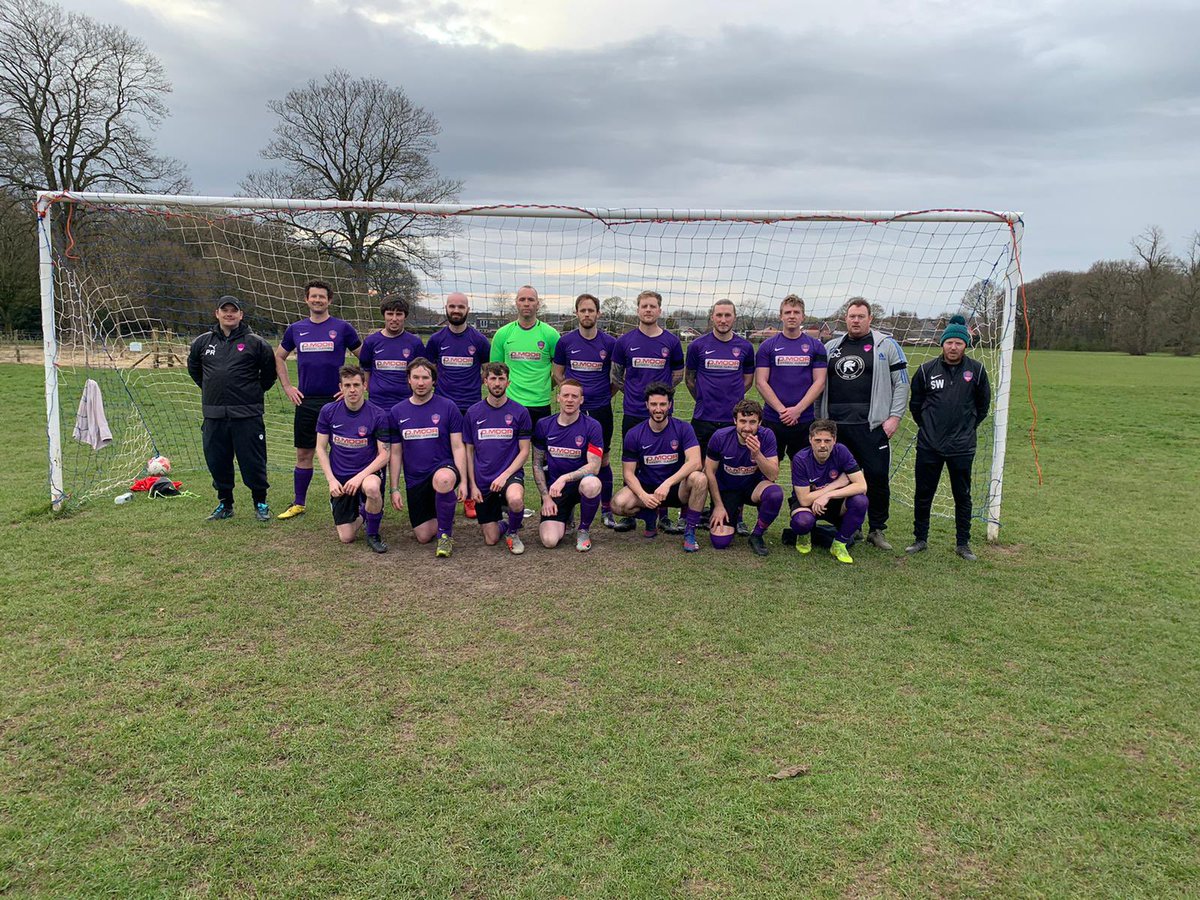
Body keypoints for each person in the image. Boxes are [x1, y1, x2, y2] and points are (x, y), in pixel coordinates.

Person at [817, 297, 908, 550]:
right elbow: (819, 385)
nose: (855, 320)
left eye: (860, 316)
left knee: (877, 477)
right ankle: (850, 525)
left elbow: (901, 383)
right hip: (836, 427)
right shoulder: (831, 347)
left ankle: (877, 529)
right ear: (845, 319)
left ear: (870, 319)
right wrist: (820, 420)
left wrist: (894, 417)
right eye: (851, 316)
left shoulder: (886, 345)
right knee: (841, 478)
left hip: (871, 426)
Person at [906, 315, 992, 561]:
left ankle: (963, 543)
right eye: (949, 342)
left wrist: (966, 427)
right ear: (942, 344)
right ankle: (920, 538)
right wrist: (930, 427)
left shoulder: (976, 371)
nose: (953, 347)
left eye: (959, 343)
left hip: (962, 447)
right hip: (929, 445)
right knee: (924, 493)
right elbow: (916, 405)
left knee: (962, 495)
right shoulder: (925, 370)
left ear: (966, 345)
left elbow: (983, 406)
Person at [274, 279, 362, 521]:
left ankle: (346, 502)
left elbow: (363, 358)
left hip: (337, 402)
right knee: (304, 453)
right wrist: (288, 386)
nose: (317, 300)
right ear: (306, 300)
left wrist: (351, 387)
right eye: (313, 296)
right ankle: (299, 503)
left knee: (343, 453)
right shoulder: (296, 329)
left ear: (329, 300)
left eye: (322, 297)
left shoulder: (343, 328)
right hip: (306, 401)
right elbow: (279, 357)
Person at [187, 295, 277, 521]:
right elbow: (195, 371)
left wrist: (252, 393)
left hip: (247, 415)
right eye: (224, 310)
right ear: (217, 313)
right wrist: (211, 390)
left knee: (253, 462)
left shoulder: (256, 343)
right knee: (217, 461)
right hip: (214, 415)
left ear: (240, 315)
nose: (229, 314)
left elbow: (268, 375)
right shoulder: (202, 342)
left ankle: (261, 503)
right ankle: (225, 504)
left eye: (233, 310)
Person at [611, 290, 685, 533]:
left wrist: (660, 399)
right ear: (638, 310)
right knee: (633, 461)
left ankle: (663, 513)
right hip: (633, 412)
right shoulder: (624, 341)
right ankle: (632, 514)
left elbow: (678, 374)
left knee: (665, 461)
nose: (648, 310)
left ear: (659, 310)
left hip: (662, 415)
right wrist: (637, 396)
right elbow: (616, 375)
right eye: (644, 306)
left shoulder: (672, 342)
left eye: (653, 306)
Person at [611, 381, 708, 552]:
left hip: (677, 489)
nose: (658, 409)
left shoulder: (683, 428)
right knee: (618, 504)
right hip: (648, 490)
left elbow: (695, 462)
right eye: (654, 404)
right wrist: (643, 495)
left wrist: (668, 483)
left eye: (663, 404)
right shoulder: (634, 434)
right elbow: (628, 474)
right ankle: (649, 516)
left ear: (669, 405)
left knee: (700, 478)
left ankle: (690, 532)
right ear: (647, 405)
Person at [686, 298, 755, 533]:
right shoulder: (697, 346)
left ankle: (737, 515)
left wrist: (732, 402)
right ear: (712, 317)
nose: (723, 320)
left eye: (727, 315)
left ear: (734, 317)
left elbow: (747, 380)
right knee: (698, 468)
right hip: (704, 418)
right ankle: (691, 513)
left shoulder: (745, 347)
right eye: (719, 315)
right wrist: (704, 398)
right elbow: (689, 379)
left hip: (732, 421)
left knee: (735, 467)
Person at [388, 358, 468, 558]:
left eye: (425, 377)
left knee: (443, 480)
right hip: (416, 478)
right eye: (416, 377)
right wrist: (394, 488)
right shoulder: (397, 412)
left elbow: (458, 447)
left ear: (433, 381)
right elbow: (396, 453)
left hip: (443, 468)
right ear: (408, 380)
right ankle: (444, 513)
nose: (420, 382)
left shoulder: (448, 407)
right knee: (423, 536)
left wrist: (463, 481)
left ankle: (445, 536)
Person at [552, 293, 618, 528]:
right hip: (571, 412)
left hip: (600, 410)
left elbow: (616, 379)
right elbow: (557, 373)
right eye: (583, 310)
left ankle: (607, 510)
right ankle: (567, 509)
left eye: (591, 310)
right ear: (576, 313)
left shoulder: (610, 344)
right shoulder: (565, 342)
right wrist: (571, 396)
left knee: (603, 459)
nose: (587, 314)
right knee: (569, 458)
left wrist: (601, 397)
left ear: (598, 314)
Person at [424, 292, 490, 518]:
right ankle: (445, 493)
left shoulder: (479, 341)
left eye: (460, 307)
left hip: (470, 406)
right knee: (443, 451)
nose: (456, 310)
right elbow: (428, 371)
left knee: (471, 451)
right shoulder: (435, 340)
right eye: (452, 306)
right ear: (446, 308)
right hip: (443, 406)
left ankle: (470, 496)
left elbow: (488, 371)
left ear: (467, 310)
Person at [314, 365, 390, 553]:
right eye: (347, 385)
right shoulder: (328, 411)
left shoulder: (378, 414)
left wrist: (359, 478)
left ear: (365, 386)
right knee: (346, 537)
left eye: (356, 384)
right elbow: (320, 448)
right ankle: (364, 512)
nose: (352, 390)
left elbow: (385, 454)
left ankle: (373, 534)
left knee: (372, 488)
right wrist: (331, 480)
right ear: (340, 387)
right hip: (340, 477)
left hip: (367, 473)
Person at [464, 363, 532, 555]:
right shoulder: (473, 413)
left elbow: (524, 451)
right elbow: (468, 451)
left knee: (516, 499)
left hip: (509, 474)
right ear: (485, 381)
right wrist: (472, 485)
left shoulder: (520, 412)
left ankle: (513, 532)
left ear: (508, 382)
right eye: (493, 378)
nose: (497, 383)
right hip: (483, 479)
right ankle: (504, 523)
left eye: (501, 379)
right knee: (491, 539)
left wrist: (505, 475)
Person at [703, 399, 784, 556]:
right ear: (735, 421)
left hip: (753, 488)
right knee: (720, 541)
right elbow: (709, 472)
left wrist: (757, 454)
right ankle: (723, 512)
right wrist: (719, 505)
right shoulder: (720, 437)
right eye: (743, 421)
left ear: (760, 422)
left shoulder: (767, 436)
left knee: (775, 493)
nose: (747, 427)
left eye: (752, 422)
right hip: (728, 489)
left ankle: (757, 535)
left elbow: (773, 474)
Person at [755, 293, 828, 462]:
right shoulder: (767, 346)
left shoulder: (816, 346)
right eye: (788, 312)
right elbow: (760, 382)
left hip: (804, 420)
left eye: (796, 312)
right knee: (766, 470)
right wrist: (782, 411)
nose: (792, 316)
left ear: (803, 316)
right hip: (773, 419)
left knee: (805, 471)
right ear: (781, 316)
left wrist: (797, 410)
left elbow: (820, 382)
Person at [533, 379, 604, 551]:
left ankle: (584, 530)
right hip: (556, 490)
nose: (570, 400)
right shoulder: (544, 425)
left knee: (592, 483)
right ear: (558, 398)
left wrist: (565, 478)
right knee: (549, 541)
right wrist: (546, 498)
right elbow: (536, 464)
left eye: (575, 396)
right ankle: (565, 517)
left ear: (581, 400)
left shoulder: (592, 426)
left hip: (579, 485)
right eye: (566, 395)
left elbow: (594, 466)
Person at [786, 419, 869, 564]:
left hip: (835, 503)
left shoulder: (841, 451)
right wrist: (836, 484)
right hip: (809, 505)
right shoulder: (800, 459)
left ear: (834, 440)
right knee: (802, 522)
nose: (823, 445)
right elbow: (804, 499)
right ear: (810, 440)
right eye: (818, 440)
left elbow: (862, 486)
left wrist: (828, 495)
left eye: (827, 440)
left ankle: (839, 544)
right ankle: (804, 536)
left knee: (861, 501)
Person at [490, 285, 559, 430]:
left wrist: (545, 385)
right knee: (511, 450)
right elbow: (494, 371)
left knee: (539, 451)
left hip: (541, 404)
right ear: (516, 303)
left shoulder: (551, 335)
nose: (526, 303)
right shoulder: (503, 334)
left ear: (538, 304)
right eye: (522, 299)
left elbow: (560, 370)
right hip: (511, 403)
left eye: (531, 299)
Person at [358, 294, 426, 410]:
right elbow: (366, 370)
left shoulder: (415, 343)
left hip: (406, 405)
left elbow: (422, 373)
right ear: (384, 315)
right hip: (378, 405)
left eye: (399, 314)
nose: (394, 319)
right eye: (390, 314)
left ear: (405, 316)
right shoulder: (371, 342)